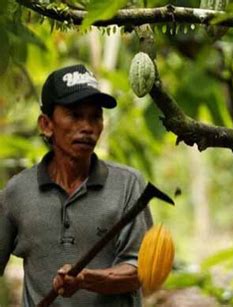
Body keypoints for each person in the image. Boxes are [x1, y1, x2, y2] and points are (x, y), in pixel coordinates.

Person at [0, 64, 153, 306]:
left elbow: (141, 270)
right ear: (46, 125)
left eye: (95, 116)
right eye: (75, 115)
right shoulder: (17, 193)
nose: (88, 127)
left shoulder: (127, 185)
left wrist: (85, 279)